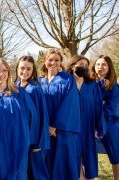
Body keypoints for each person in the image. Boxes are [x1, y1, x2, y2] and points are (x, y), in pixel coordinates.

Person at [0, 58, 38, 179]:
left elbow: (33, 117)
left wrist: (31, 141)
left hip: (19, 145)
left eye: (4, 70)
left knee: (19, 175)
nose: (1, 74)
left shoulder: (20, 93)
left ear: (9, 72)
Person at [38, 49, 81, 180]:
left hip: (62, 130)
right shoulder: (39, 81)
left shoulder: (67, 79)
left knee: (63, 163)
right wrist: (44, 126)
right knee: (45, 163)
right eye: (50, 59)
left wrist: (54, 125)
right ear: (45, 61)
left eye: (57, 60)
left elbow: (69, 104)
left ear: (61, 62)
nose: (53, 63)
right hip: (43, 129)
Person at [66, 55, 106, 179]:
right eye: (80, 64)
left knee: (88, 158)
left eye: (85, 65)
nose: (83, 67)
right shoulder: (66, 83)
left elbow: (98, 107)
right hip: (70, 128)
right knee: (73, 158)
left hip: (88, 126)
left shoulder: (91, 85)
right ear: (72, 66)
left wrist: (99, 128)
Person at [15, 56, 50, 180]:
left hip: (35, 140)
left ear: (33, 70)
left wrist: (39, 142)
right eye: (22, 68)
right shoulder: (16, 85)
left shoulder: (35, 89)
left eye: (28, 69)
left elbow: (42, 116)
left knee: (38, 173)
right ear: (17, 69)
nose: (25, 72)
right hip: (23, 138)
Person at [90, 55, 119, 180]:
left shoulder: (113, 86)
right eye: (98, 64)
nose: (100, 67)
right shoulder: (89, 84)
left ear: (109, 67)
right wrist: (101, 103)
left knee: (115, 153)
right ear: (94, 66)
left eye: (104, 64)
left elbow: (113, 108)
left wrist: (100, 125)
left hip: (110, 124)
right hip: (90, 123)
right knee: (88, 153)